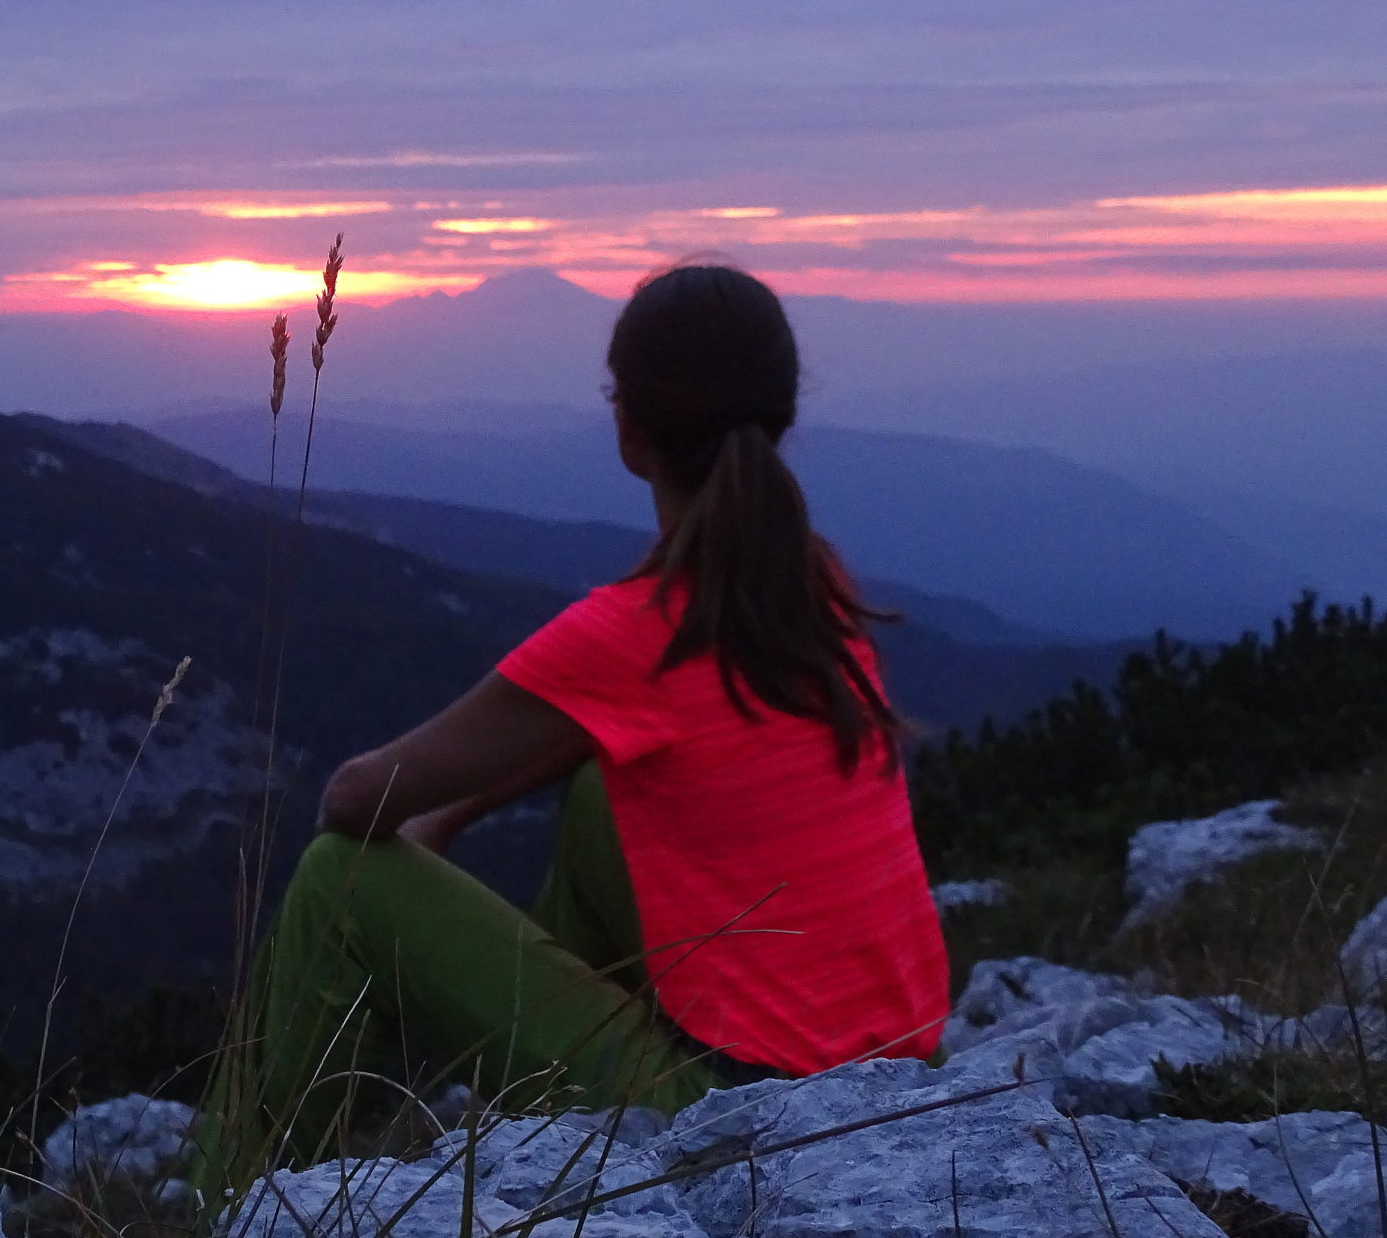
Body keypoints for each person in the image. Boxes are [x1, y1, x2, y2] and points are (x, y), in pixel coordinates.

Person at [206, 263, 949, 1176]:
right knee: (605, 791)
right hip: (901, 1079)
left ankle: (232, 1197)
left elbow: (355, 800)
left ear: (628, 426)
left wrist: (413, 822)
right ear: (779, 414)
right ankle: (545, 1117)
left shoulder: (632, 632)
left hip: (734, 1117)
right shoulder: (808, 580)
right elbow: (605, 725)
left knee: (339, 881)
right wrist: (454, 815)